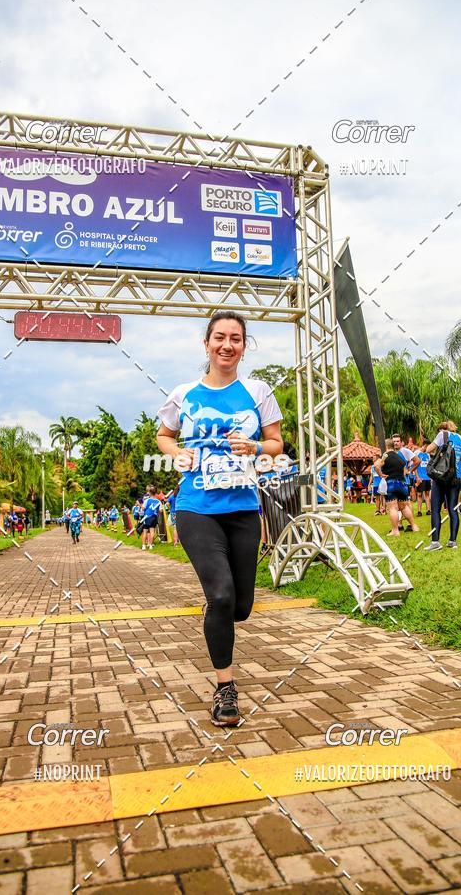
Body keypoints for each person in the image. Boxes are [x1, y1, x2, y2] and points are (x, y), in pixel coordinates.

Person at [156, 310, 283, 726]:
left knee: (241, 607)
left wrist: (256, 448)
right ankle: (225, 689)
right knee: (222, 597)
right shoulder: (184, 394)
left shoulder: (258, 391)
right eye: (220, 337)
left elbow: (277, 443)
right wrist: (178, 453)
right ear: (207, 343)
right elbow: (163, 435)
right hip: (197, 508)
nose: (227, 345)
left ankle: (219, 614)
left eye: (236, 338)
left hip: (243, 509)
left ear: (244, 346)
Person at [424, 420, 461, 551]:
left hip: (441, 476)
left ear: (444, 428)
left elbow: (428, 449)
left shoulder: (442, 435)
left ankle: (435, 541)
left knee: (435, 509)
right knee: (453, 509)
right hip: (455, 477)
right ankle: (452, 541)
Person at [374, 439, 419, 537]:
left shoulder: (385, 456)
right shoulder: (399, 457)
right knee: (404, 507)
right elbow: (405, 471)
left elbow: (376, 466)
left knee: (393, 508)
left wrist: (380, 474)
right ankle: (414, 526)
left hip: (391, 483)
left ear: (385, 446)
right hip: (402, 484)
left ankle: (395, 530)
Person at [140, 485, 162, 550]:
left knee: (145, 531)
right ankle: (150, 545)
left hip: (147, 517)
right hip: (154, 517)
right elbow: (160, 511)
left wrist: (142, 506)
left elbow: (143, 508)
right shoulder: (158, 501)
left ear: (149, 493)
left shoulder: (147, 500)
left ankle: (144, 545)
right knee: (152, 531)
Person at [414, 443, 432, 517]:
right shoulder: (417, 453)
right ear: (424, 445)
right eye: (427, 447)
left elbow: (429, 466)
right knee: (419, 494)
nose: (428, 448)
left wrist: (430, 477)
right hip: (420, 477)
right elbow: (414, 466)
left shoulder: (428, 455)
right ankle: (419, 511)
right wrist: (417, 477)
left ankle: (428, 510)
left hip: (427, 477)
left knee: (427, 494)